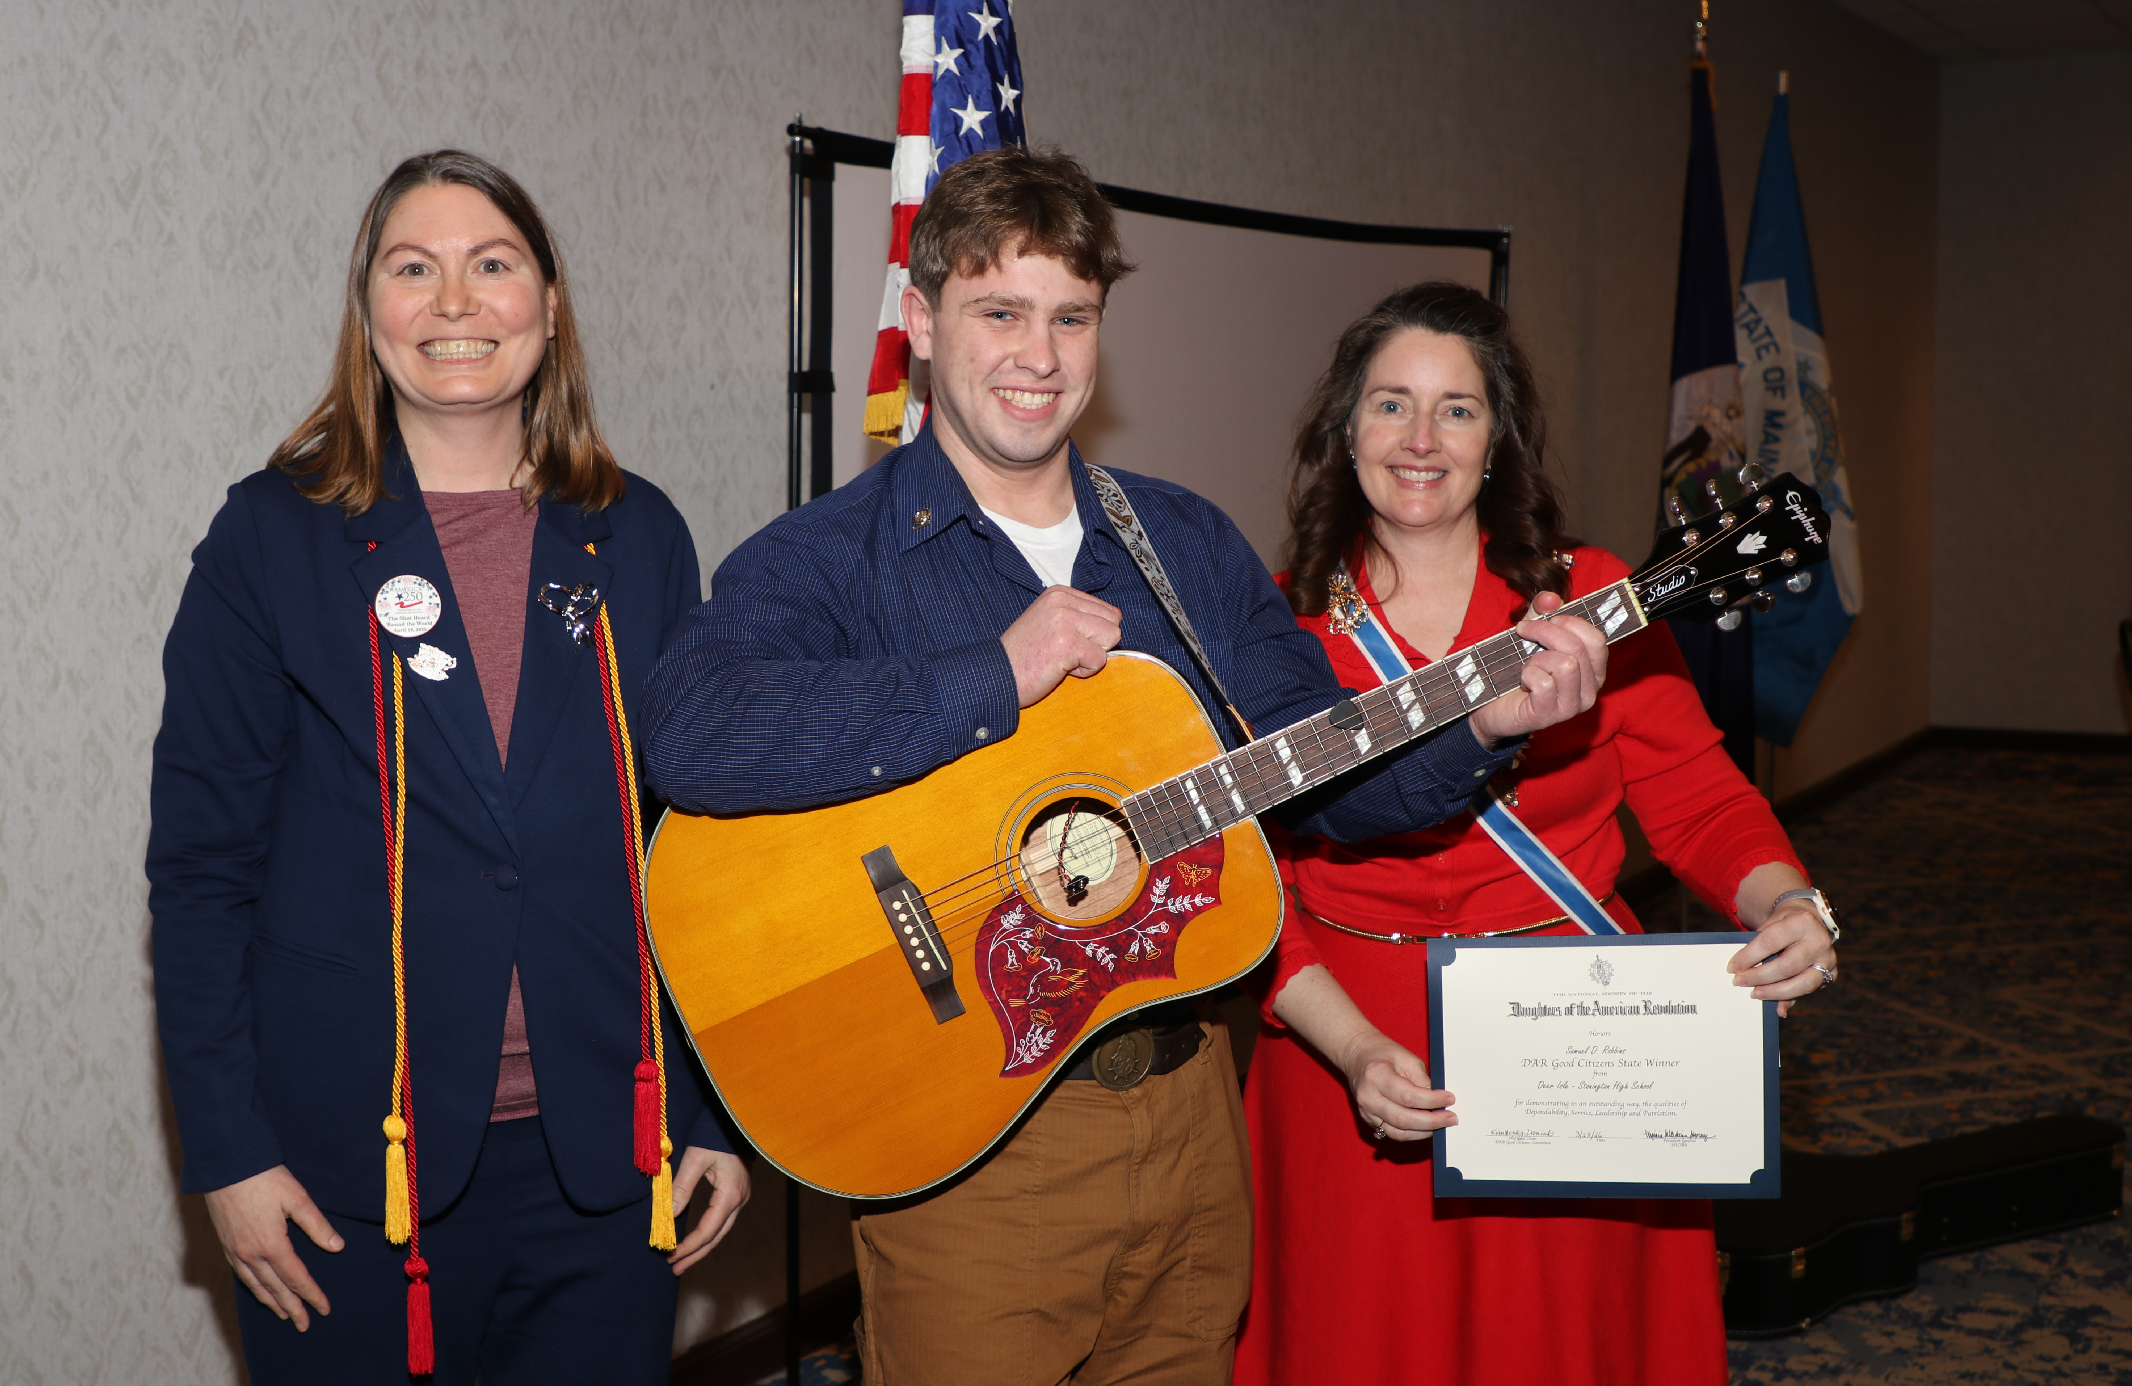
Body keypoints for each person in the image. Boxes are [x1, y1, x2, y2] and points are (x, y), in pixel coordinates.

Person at [640, 149, 1608, 1386]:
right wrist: (990, 674)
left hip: (1196, 1118)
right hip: (976, 1157)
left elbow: (1330, 782)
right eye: (999, 313)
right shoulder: (830, 558)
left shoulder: (1180, 542)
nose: (1038, 355)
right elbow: (695, 732)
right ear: (923, 323)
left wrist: (1485, 719)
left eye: (1070, 317)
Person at [148, 150, 748, 1386]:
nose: (457, 303)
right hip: (349, 1171)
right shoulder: (272, 539)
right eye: (414, 270)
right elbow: (201, 875)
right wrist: (226, 1155)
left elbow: (694, 849)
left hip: (605, 1160)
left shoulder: (640, 535)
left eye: (493, 266)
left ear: (549, 303)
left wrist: (712, 1118)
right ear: (371, 312)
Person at [1235, 282, 1842, 1386]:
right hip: (1348, 1055)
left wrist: (1783, 901)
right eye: (1389, 405)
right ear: (1343, 430)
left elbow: (1698, 799)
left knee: (1562, 1345)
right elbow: (1238, 890)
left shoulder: (1590, 600)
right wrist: (1349, 1048)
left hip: (1569, 1042)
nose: (1420, 439)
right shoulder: (1274, 629)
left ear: (1497, 438)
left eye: (1456, 410)